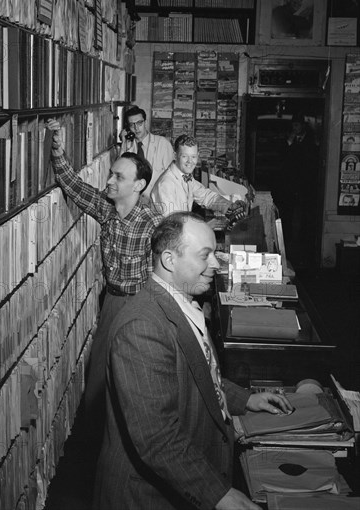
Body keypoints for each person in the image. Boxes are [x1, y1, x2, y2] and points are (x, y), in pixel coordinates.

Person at [93, 212, 293, 509]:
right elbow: (157, 438)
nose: (216, 264)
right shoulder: (142, 327)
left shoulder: (180, 301)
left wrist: (246, 399)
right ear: (170, 260)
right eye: (205, 256)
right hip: (147, 498)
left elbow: (197, 372)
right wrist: (218, 494)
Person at [47, 119, 162, 463]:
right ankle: (99, 450)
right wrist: (57, 147)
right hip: (111, 301)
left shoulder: (151, 223)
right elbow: (74, 186)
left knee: (134, 384)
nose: (109, 181)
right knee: (99, 377)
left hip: (141, 308)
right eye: (111, 174)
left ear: (139, 185)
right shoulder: (108, 209)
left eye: (118, 177)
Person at [150, 134, 247, 228]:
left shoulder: (186, 177)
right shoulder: (166, 184)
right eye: (184, 156)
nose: (190, 161)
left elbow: (205, 196)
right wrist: (204, 227)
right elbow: (175, 224)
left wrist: (229, 206)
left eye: (193, 157)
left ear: (198, 156)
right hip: (169, 239)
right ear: (175, 156)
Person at [275, 112, 319, 267]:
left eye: (298, 125)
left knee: (304, 214)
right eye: (293, 125)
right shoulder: (288, 139)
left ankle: (302, 244)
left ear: (302, 126)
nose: (295, 128)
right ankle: (288, 242)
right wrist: (289, 141)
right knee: (288, 212)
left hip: (305, 184)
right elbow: (282, 157)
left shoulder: (311, 140)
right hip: (289, 183)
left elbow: (312, 160)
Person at [119, 106, 174, 199]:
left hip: (158, 199)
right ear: (128, 128)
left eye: (139, 123)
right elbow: (119, 172)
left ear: (145, 122)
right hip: (134, 200)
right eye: (132, 125)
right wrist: (124, 142)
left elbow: (171, 177)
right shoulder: (128, 147)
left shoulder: (162, 144)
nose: (136, 128)